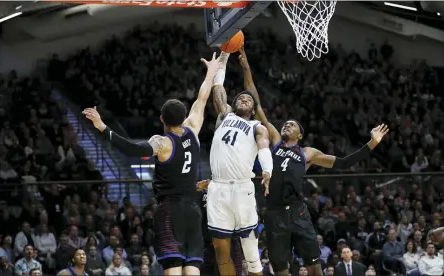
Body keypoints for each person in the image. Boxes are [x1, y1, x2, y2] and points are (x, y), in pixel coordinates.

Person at [237, 46, 388, 276]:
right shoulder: (275, 140)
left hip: (298, 212)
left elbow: (345, 163)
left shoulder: (308, 153)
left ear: (300, 134)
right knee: (281, 270)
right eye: (285, 123)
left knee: (314, 268)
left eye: (292, 124)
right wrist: (247, 69)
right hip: (274, 212)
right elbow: (256, 102)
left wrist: (372, 144)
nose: (286, 124)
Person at [83, 52, 222, 276]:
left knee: (173, 267)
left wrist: (102, 126)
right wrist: (211, 73)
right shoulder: (193, 129)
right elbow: (202, 99)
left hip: (170, 210)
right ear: (183, 116)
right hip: (193, 210)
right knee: (193, 267)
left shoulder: (162, 143)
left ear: (161, 119)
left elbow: (131, 148)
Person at [207, 51, 273, 276]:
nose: (244, 98)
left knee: (251, 252)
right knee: (220, 251)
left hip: (243, 189)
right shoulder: (226, 115)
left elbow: (264, 147)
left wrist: (267, 170)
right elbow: (218, 92)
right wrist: (223, 61)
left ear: (254, 110)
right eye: (240, 98)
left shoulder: (257, 126)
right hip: (217, 188)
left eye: (249, 99)